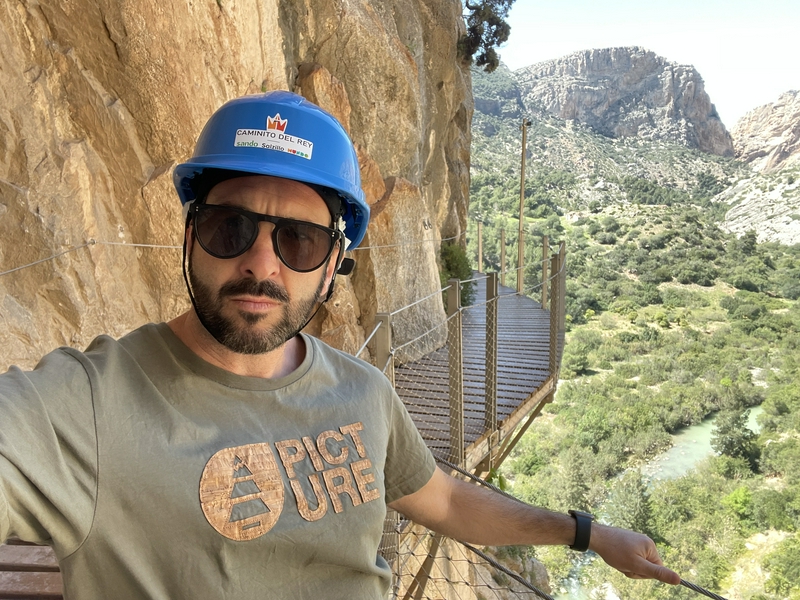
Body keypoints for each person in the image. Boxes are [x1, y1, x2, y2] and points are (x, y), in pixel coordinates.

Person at [0, 91, 679, 599]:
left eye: (298, 241)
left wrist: (587, 534)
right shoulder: (85, 407)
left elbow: (442, 500)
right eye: (231, 228)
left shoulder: (365, 392)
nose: (262, 266)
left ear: (332, 266)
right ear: (189, 236)